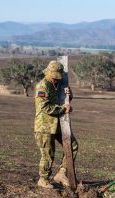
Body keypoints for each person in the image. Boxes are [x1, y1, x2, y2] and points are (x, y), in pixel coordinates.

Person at [34, 60, 78, 189]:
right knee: (48, 154)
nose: (56, 79)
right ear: (48, 73)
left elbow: (65, 100)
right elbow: (44, 107)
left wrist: (69, 94)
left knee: (73, 146)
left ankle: (62, 173)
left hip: (59, 124)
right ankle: (43, 179)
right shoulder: (42, 86)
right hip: (44, 127)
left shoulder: (60, 84)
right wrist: (63, 109)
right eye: (54, 76)